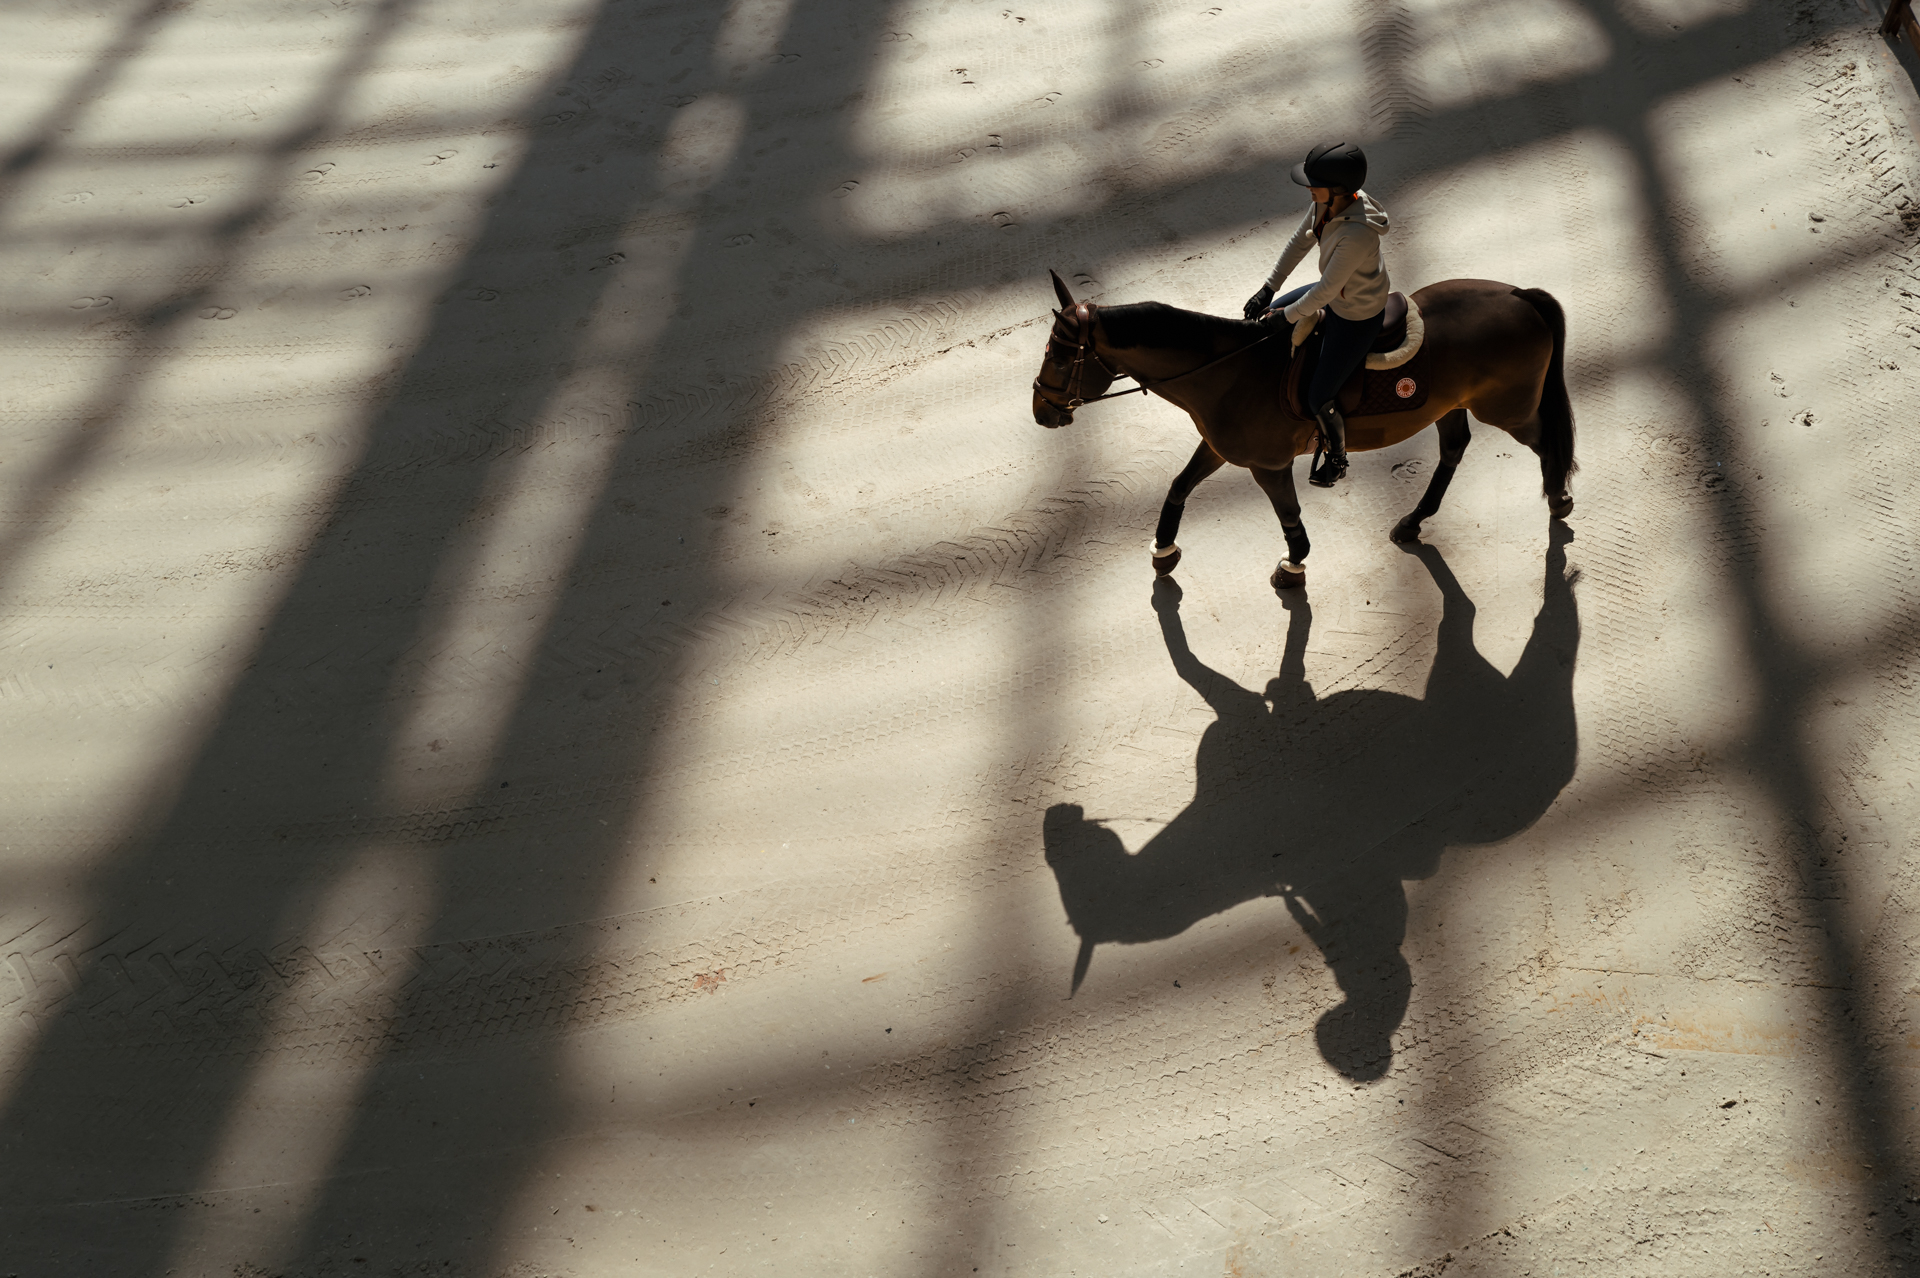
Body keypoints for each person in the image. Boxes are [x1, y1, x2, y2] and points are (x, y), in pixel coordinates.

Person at [1242, 142, 1392, 488]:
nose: (1308, 187)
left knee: (1317, 395)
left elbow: (1325, 291)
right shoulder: (1328, 205)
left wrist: (1287, 316)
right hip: (1337, 293)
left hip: (1356, 315)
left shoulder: (1357, 233)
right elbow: (1299, 242)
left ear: (1337, 189)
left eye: (1314, 182)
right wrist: (1269, 288)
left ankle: (1337, 458)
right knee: (1269, 318)